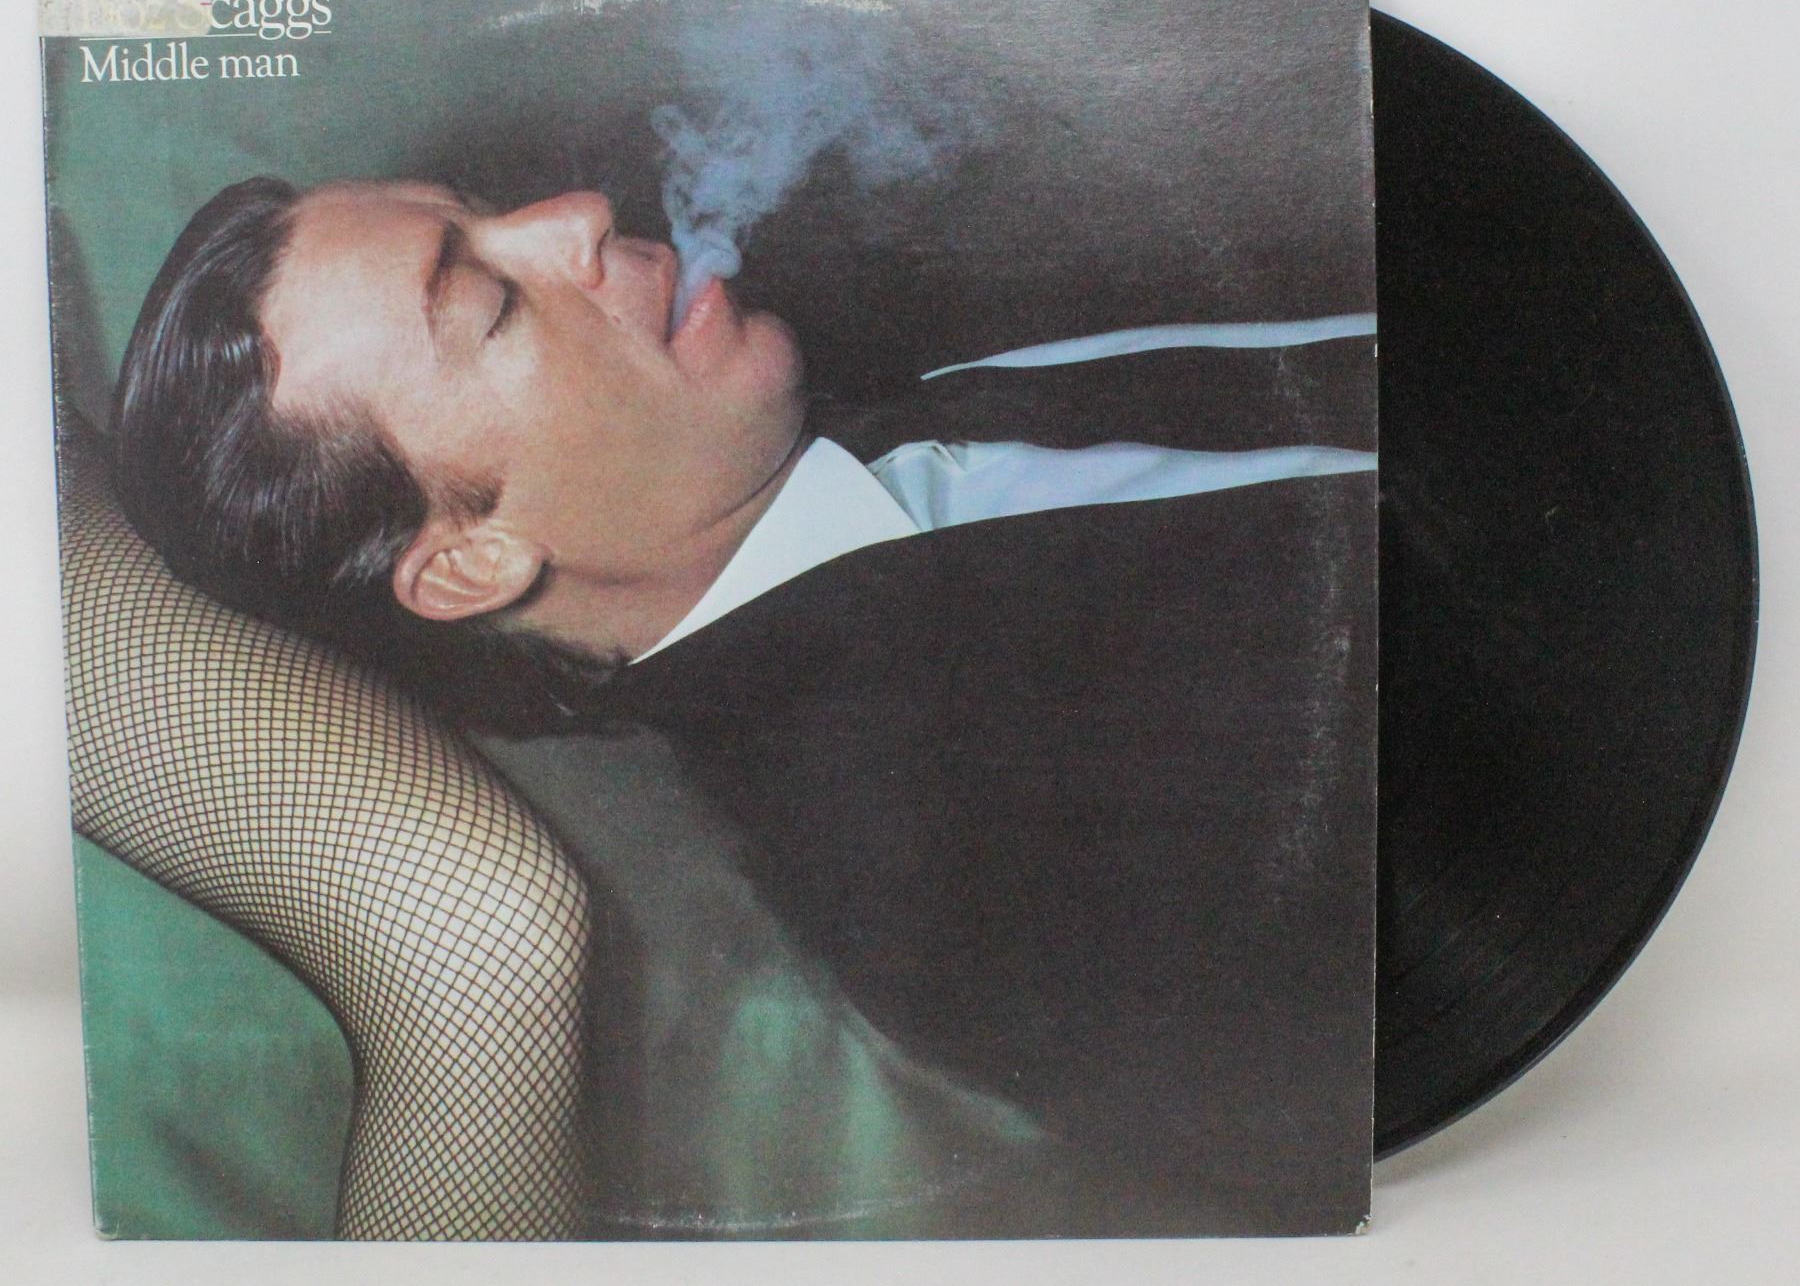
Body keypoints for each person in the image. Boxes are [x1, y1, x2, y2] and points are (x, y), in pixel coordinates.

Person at [112, 175, 1378, 1234]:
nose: (577, 211)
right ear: (469, 563)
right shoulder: (965, 882)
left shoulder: (881, 288)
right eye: (490, 301)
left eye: (484, 206)